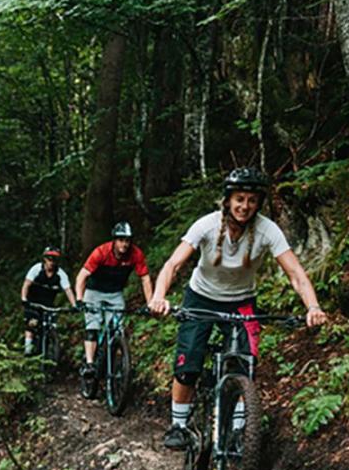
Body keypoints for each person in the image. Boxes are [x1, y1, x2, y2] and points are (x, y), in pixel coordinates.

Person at [147, 167, 328, 448]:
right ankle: (179, 426)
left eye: (252, 200)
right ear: (228, 200)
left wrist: (313, 306)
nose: (245, 206)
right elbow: (174, 264)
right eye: (239, 199)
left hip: (242, 301)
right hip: (201, 297)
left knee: (245, 365)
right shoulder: (206, 225)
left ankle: (239, 430)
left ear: (259, 203)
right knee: (189, 363)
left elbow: (296, 273)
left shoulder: (268, 230)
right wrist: (159, 296)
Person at [75, 222, 152, 395]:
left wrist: (150, 303)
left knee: (117, 329)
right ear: (114, 240)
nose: (124, 244)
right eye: (121, 240)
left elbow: (145, 279)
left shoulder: (136, 254)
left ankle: (113, 358)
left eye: (127, 241)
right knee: (93, 327)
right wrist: (80, 299)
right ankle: (89, 364)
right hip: (94, 292)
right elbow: (82, 276)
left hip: (115, 294)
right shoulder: (101, 252)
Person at [20, 246, 77, 355]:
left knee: (51, 323)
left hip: (48, 303)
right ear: (44, 259)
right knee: (32, 324)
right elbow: (26, 285)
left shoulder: (60, 274)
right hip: (33, 301)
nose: (52, 262)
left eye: (54, 259)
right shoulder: (36, 269)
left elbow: (68, 290)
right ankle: (28, 348)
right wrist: (24, 299)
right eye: (49, 259)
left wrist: (74, 305)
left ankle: (51, 347)